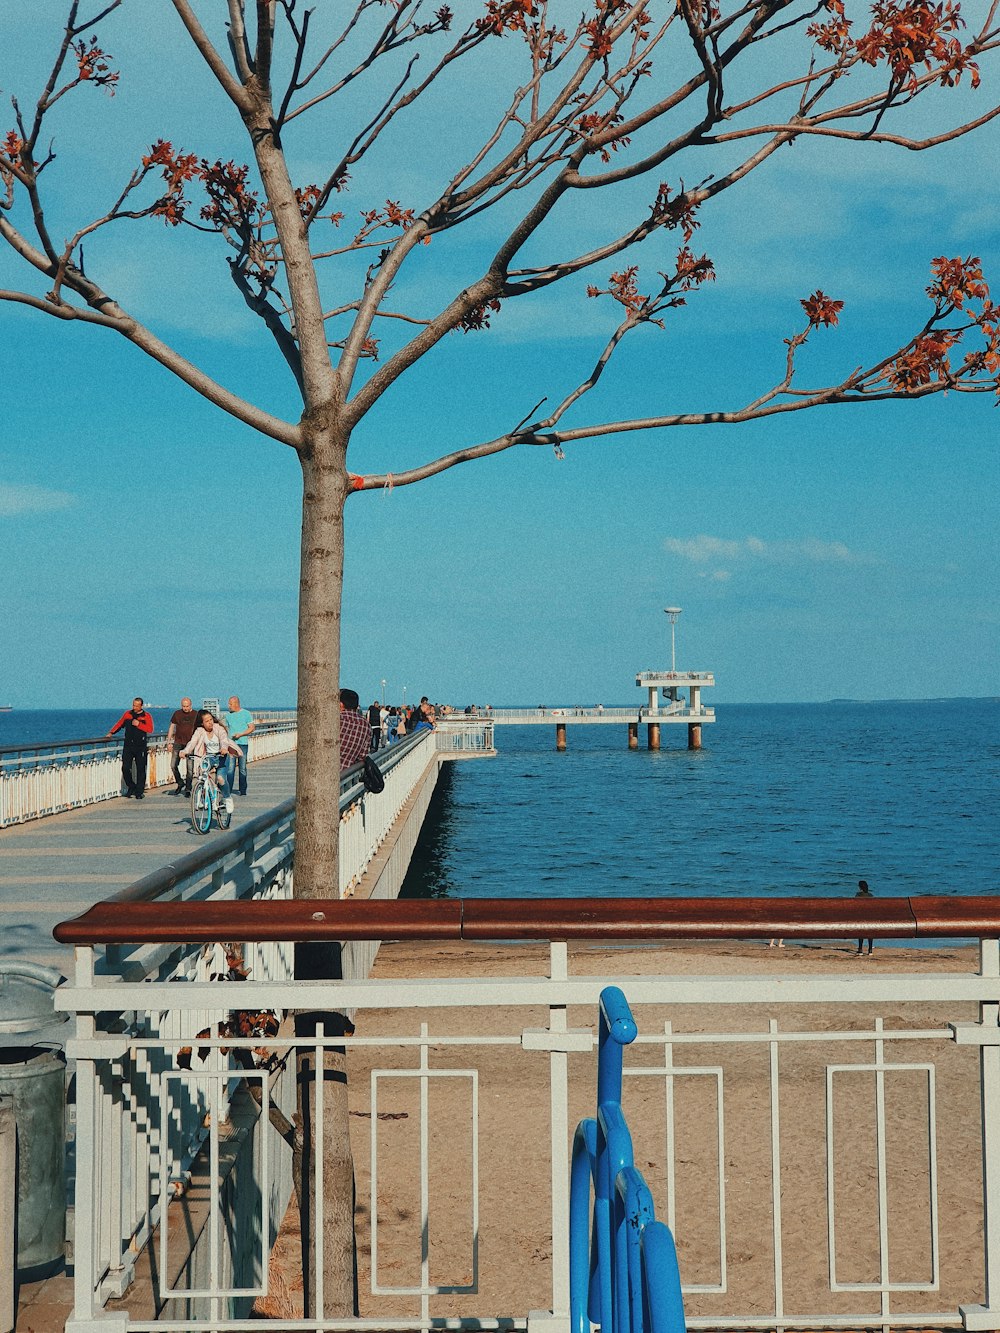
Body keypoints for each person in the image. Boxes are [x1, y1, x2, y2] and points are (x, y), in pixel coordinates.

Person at [180, 709, 241, 813]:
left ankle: (227, 798)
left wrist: (224, 748)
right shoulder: (200, 731)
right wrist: (185, 751)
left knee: (221, 779)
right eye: (207, 721)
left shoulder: (218, 728)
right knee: (202, 776)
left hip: (221, 756)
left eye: (211, 719)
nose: (210, 722)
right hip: (208, 757)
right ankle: (203, 798)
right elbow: (192, 742)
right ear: (202, 723)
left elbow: (223, 739)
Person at [107, 697, 154, 799]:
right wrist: (111, 732)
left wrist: (139, 724)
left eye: (137, 706)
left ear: (141, 706)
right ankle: (131, 786)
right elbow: (120, 724)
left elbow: (150, 729)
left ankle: (139, 792)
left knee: (141, 769)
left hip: (140, 746)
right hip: (128, 745)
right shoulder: (127, 714)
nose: (135, 707)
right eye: (133, 705)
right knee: (125, 768)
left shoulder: (146, 716)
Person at [166, 696, 199, 796]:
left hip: (190, 744)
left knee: (189, 768)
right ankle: (180, 782)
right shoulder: (177, 714)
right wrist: (169, 741)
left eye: (187, 706)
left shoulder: (196, 714)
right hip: (178, 742)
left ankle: (188, 788)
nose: (185, 708)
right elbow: (172, 726)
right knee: (173, 765)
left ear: (191, 705)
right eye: (183, 706)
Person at [224, 695, 255, 796]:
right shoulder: (227, 715)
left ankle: (243, 790)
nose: (229, 706)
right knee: (230, 768)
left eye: (230, 704)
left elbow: (252, 727)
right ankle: (228, 789)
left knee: (242, 768)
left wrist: (241, 734)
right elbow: (224, 728)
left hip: (242, 744)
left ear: (236, 704)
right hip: (231, 745)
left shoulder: (246, 714)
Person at [340, 688, 372, 771]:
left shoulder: (337, 720)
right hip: (347, 775)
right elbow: (362, 755)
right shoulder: (366, 725)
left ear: (341, 704)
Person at [856, 879, 874, 955]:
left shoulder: (858, 895)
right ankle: (870, 950)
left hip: (861, 916)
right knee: (870, 931)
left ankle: (860, 949)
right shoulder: (871, 895)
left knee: (861, 931)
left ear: (860, 887)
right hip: (870, 917)